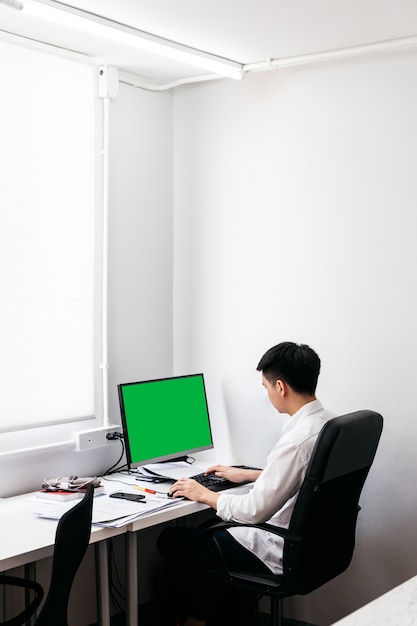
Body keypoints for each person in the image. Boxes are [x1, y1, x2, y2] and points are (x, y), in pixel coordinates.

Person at [156, 341, 334, 626]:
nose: (267, 394)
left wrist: (204, 494)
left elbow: (254, 511)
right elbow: (305, 477)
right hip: (316, 546)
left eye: (265, 387)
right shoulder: (326, 425)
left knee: (174, 540)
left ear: (280, 387)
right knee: (205, 534)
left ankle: (193, 621)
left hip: (278, 548)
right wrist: (250, 475)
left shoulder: (296, 440)